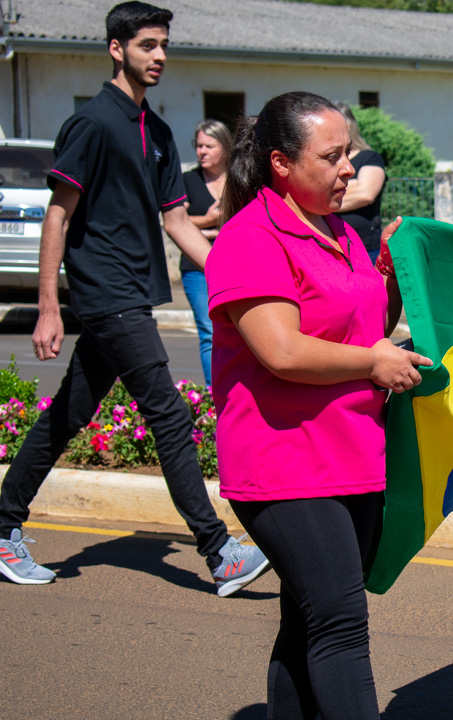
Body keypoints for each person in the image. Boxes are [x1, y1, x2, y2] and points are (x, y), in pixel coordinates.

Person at [0, 1, 269, 596]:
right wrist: (49, 306)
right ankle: (219, 551)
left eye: (165, 45)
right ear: (117, 49)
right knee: (170, 415)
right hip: (105, 293)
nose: (161, 56)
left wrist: (239, 276)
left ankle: (3, 526)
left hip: (132, 294)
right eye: (148, 45)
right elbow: (57, 215)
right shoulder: (92, 124)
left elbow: (178, 223)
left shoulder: (158, 132)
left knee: (69, 413)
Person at [206, 90, 432, 719]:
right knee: (339, 623)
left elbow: (361, 327)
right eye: (332, 157)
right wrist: (372, 362)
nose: (348, 170)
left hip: (351, 454)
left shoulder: (340, 231)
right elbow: (281, 351)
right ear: (281, 163)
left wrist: (389, 273)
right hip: (283, 462)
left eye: (349, 155)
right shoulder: (251, 237)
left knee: (307, 621)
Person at [182, 118, 233, 386]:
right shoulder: (188, 179)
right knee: (208, 332)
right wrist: (209, 221)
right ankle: (214, 392)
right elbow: (175, 220)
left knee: (236, 332)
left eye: (208, 146)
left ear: (224, 148)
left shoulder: (237, 178)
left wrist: (202, 227)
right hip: (196, 269)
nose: (201, 151)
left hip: (234, 265)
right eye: (198, 146)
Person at [333, 101, 386, 264]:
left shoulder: (369, 157)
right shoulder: (326, 159)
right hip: (331, 244)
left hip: (365, 247)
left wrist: (322, 203)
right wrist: (354, 184)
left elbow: (366, 194)